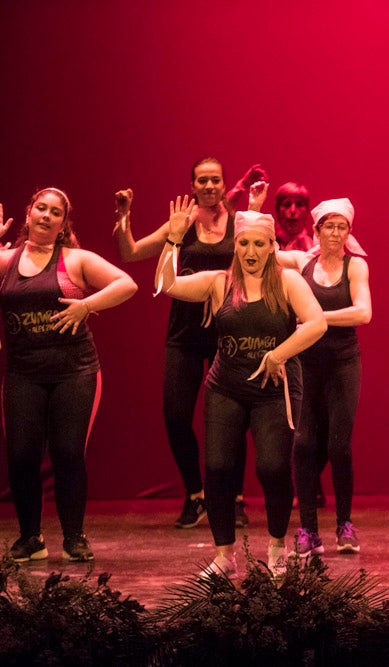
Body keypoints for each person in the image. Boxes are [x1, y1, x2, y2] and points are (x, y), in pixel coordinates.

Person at [155, 200, 326, 577]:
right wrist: (172, 239)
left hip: (272, 390)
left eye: (259, 244)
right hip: (225, 387)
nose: (251, 252)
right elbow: (165, 285)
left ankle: (278, 547)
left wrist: (278, 354)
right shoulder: (219, 282)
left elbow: (316, 324)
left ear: (271, 247)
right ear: (236, 246)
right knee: (217, 467)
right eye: (244, 244)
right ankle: (224, 555)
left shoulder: (287, 281)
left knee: (272, 468)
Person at [115, 158, 265, 529]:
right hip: (184, 335)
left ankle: (233, 499)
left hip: (228, 335)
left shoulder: (238, 223)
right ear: (193, 185)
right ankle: (195, 495)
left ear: (224, 183)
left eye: (215, 179)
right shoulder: (181, 223)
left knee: (232, 420)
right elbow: (130, 252)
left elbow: (257, 261)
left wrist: (255, 211)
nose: (209, 185)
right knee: (176, 417)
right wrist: (124, 217)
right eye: (202, 180)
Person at [2, 188, 138, 562]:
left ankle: (74, 536)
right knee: (22, 456)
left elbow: (127, 284)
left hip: (73, 372)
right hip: (23, 374)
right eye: (40, 209)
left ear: (63, 224)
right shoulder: (7, 260)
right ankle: (30, 537)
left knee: (67, 453)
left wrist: (87, 305)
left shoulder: (75, 260)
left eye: (55, 212)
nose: (46, 216)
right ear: (27, 215)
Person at [272, 197, 372, 557]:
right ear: (316, 230)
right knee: (303, 445)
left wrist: (317, 320)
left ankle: (345, 523)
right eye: (328, 226)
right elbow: (266, 251)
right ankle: (308, 530)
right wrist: (255, 208)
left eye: (341, 226)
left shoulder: (355, 266)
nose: (335, 232)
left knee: (338, 445)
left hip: (343, 364)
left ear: (348, 231)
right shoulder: (302, 261)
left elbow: (363, 313)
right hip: (305, 365)